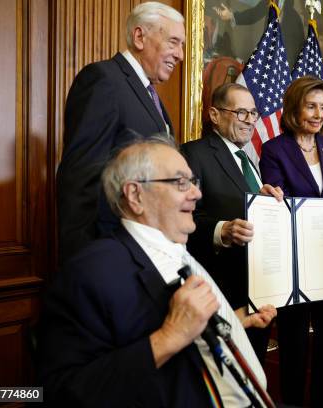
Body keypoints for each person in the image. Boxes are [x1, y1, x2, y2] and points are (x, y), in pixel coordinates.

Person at [38, 137, 276, 407]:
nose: (197, 194)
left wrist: (229, 321)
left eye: (193, 182)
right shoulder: (91, 271)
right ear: (136, 195)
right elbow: (61, 392)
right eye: (180, 182)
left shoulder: (181, 253)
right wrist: (169, 337)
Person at [56, 2, 185, 263]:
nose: (180, 54)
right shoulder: (103, 80)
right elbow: (81, 180)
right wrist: (86, 262)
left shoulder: (149, 94)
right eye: (173, 42)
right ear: (139, 37)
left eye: (181, 45)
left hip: (148, 252)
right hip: (111, 253)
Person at [259, 76, 323, 407]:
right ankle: (292, 402)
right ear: (294, 107)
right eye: (311, 105)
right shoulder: (275, 149)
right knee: (295, 340)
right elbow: (277, 200)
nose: (318, 113)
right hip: (295, 260)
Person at [181, 83, 282, 362]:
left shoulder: (249, 160)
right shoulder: (194, 154)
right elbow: (182, 216)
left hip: (258, 288)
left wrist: (267, 203)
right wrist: (220, 230)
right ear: (214, 114)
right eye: (241, 112)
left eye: (253, 113)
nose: (250, 120)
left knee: (254, 374)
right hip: (221, 289)